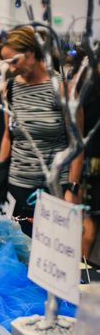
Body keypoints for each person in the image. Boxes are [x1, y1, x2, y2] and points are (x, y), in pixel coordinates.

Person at [0, 26, 83, 224]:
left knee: (50, 251)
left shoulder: (62, 89)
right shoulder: (10, 90)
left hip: (54, 189)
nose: (11, 68)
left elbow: (77, 144)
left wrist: (73, 188)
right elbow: (7, 137)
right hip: (17, 186)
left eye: (14, 61)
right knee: (17, 249)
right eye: (7, 63)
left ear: (31, 53)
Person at [77, 66, 100, 258]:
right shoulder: (88, 94)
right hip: (92, 165)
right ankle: (80, 270)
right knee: (89, 223)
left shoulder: (87, 92)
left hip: (91, 163)